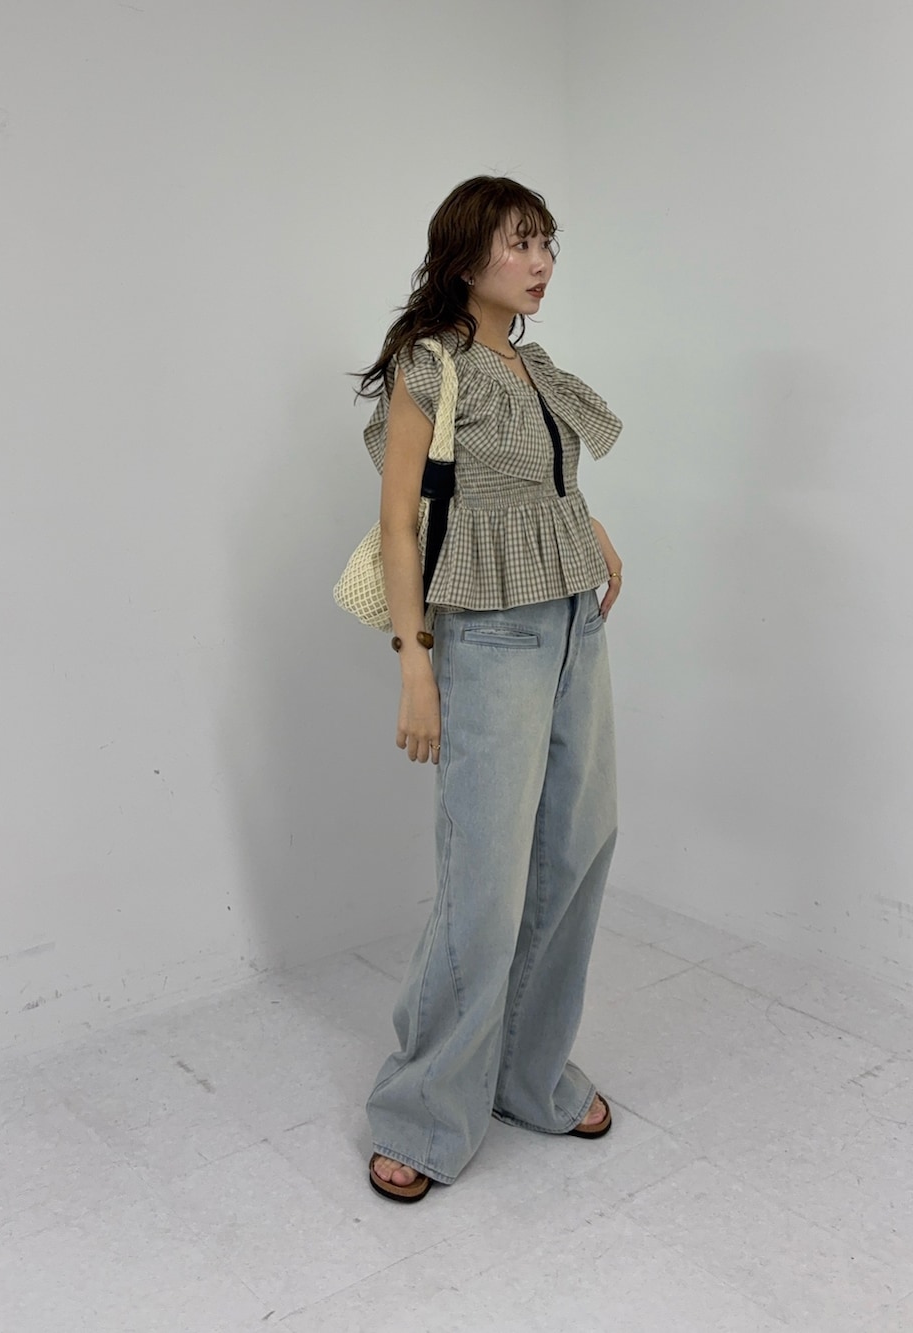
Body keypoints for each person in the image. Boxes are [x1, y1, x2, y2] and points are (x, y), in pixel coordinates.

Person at [356, 175, 623, 1202]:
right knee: (485, 880)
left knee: (574, 849)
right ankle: (424, 1108)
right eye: (521, 243)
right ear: (467, 257)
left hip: (572, 624)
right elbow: (399, 522)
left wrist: (589, 531)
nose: (541, 262)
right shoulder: (429, 364)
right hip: (487, 635)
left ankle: (526, 1073)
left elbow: (540, 480)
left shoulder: (532, 362)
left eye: (547, 242)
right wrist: (414, 663)